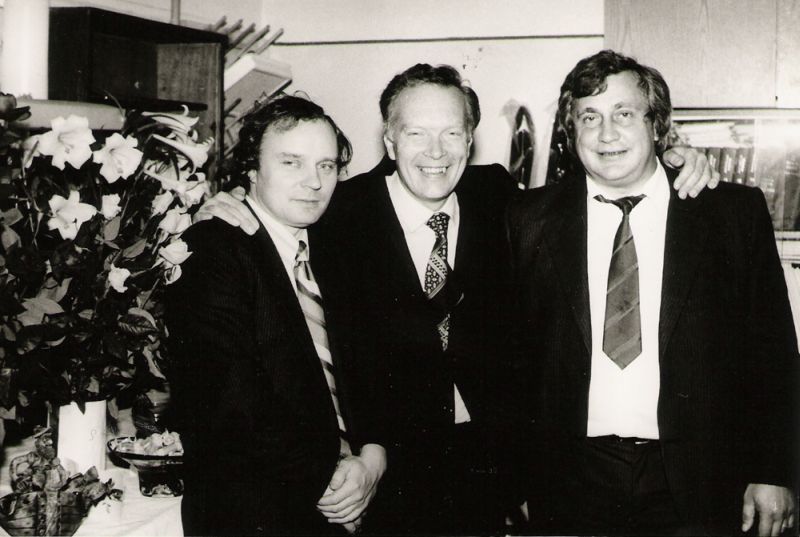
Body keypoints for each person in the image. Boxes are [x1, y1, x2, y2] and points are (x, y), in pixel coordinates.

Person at [196, 63, 716, 535]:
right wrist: (224, 204)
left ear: (470, 139)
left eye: (451, 133)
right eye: (416, 133)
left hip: (487, 476)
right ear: (389, 140)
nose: (436, 152)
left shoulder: (501, 200)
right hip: (380, 479)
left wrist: (675, 158)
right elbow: (276, 218)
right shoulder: (336, 211)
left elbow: (602, 184)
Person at [506, 50, 799, 536]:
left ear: (657, 125)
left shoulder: (730, 214)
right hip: (571, 482)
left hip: (702, 479)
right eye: (589, 117)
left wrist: (774, 471)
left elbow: (772, 353)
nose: (606, 134)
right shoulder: (527, 219)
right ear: (571, 130)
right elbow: (510, 358)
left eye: (624, 114)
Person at [165, 94, 386, 536]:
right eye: (291, 162)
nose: (314, 182)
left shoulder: (335, 249)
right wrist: (332, 484)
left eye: (326, 165)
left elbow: (371, 371)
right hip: (257, 514)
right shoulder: (212, 249)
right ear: (251, 169)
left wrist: (374, 458)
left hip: (344, 499)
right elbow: (231, 403)